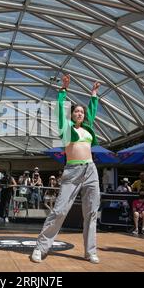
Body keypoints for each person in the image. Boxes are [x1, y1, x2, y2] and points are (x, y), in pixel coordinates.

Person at [31, 74, 101, 264]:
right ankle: (40, 247)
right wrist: (63, 91)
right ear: (71, 115)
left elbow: (92, 112)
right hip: (72, 171)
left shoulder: (87, 129)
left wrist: (94, 94)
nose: (79, 113)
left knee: (91, 212)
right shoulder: (66, 128)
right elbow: (60, 112)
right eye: (76, 111)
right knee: (60, 210)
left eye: (81, 112)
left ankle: (90, 251)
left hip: (90, 170)